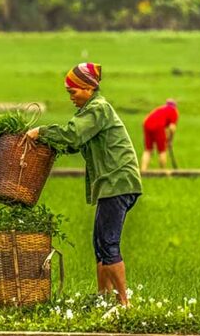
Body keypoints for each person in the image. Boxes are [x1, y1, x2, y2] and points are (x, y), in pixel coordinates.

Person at [27, 62, 142, 307]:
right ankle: (103, 298)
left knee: (109, 243)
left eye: (74, 92)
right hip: (111, 184)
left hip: (117, 182)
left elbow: (73, 134)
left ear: (89, 88)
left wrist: (41, 132)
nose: (71, 97)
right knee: (99, 243)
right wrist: (48, 144)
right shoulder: (89, 111)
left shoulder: (97, 109)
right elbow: (72, 143)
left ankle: (123, 303)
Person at [141, 99, 178, 171]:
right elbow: (172, 128)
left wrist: (168, 139)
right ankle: (162, 172)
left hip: (146, 124)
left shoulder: (160, 109)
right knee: (162, 150)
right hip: (158, 126)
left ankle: (143, 171)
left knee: (148, 150)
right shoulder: (174, 111)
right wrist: (170, 140)